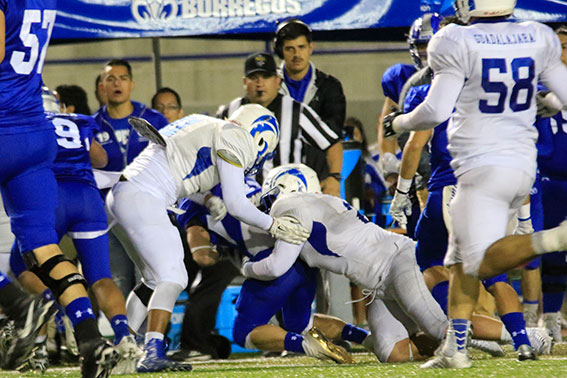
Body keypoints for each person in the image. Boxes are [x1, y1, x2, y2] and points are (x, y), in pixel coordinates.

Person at [383, 0, 567, 368]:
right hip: (521, 166)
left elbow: (434, 112)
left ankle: (556, 238)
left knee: (479, 259)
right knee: (459, 261)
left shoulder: (454, 39)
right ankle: (456, 347)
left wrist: (400, 123)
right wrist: (543, 101)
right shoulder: (536, 35)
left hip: (480, 165)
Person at [106, 104, 309, 372]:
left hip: (123, 194)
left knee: (153, 280)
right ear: (261, 135)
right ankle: (152, 350)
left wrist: (207, 198)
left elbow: (173, 169)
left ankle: (123, 350)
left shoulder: (203, 122)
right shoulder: (234, 135)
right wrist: (273, 224)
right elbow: (237, 204)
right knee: (174, 277)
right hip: (144, 196)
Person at [0, 2, 118, 377]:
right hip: (36, 133)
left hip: (3, 129)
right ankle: (90, 341)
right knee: (44, 248)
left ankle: (18, 305)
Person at [10, 90, 142, 374]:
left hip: (48, 198)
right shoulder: (78, 120)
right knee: (101, 277)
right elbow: (102, 159)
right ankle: (124, 337)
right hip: (87, 199)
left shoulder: (22, 122)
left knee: (27, 266)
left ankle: (42, 343)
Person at [94, 59, 169, 299]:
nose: (117, 83)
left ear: (132, 84)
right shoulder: (92, 125)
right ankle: (123, 334)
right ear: (102, 87)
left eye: (123, 78)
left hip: (149, 213)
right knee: (117, 279)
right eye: (110, 79)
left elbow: (173, 160)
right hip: (110, 217)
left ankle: (150, 335)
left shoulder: (154, 120)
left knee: (150, 278)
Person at [217, 52, 341, 184]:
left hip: (286, 196)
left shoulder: (296, 111)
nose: (260, 83)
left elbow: (332, 144)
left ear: (277, 81)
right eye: (254, 77)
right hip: (240, 197)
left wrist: (334, 178)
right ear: (245, 82)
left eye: (266, 76)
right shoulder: (229, 112)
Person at [274, 19, 346, 196]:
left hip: (319, 177)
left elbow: (332, 134)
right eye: (290, 49)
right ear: (280, 52)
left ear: (310, 48)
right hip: (277, 179)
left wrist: (333, 177)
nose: (296, 54)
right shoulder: (268, 86)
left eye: (301, 47)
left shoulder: (329, 86)